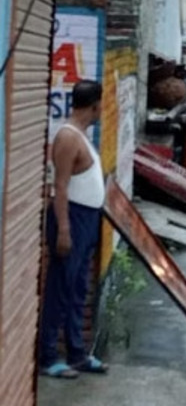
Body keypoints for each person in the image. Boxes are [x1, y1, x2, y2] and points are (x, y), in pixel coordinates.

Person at [39, 80, 108, 379]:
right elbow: (61, 186)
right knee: (61, 287)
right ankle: (48, 356)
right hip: (72, 219)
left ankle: (77, 352)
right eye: (101, 104)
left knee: (78, 288)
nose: (102, 109)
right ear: (94, 106)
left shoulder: (81, 135)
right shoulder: (68, 137)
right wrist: (64, 229)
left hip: (87, 218)